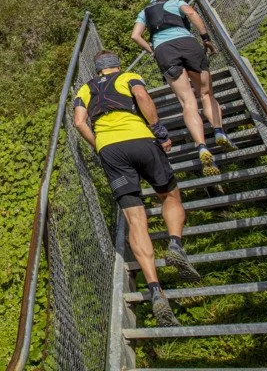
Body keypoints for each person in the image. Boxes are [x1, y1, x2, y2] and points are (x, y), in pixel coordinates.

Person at [73, 50, 200, 327]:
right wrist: (158, 129)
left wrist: (100, 146)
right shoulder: (128, 76)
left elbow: (79, 122)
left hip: (109, 149)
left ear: (97, 70)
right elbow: (142, 97)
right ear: (116, 66)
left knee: (134, 218)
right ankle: (175, 244)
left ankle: (155, 288)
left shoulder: (85, 88)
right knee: (169, 194)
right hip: (140, 140)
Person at [131, 0, 236, 178]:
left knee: (187, 102)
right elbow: (193, 14)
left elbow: (135, 36)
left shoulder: (144, 13)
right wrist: (205, 38)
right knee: (205, 94)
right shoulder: (176, 3)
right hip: (187, 44)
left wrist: (152, 50)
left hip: (164, 51)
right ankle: (219, 131)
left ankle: (202, 146)